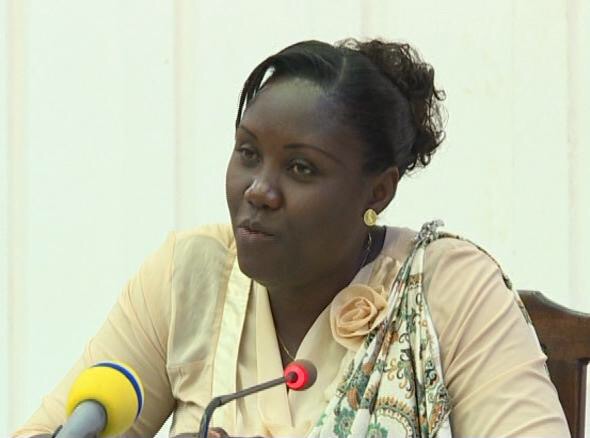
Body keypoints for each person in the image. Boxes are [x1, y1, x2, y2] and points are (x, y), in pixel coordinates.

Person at [14, 39, 569, 438]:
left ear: (378, 191)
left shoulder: (447, 288)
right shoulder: (190, 275)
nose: (258, 190)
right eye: (248, 153)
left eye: (301, 168)